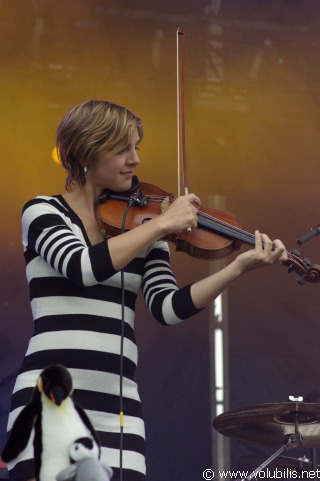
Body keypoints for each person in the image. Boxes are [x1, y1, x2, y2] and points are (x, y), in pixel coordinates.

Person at [5, 100, 287, 481]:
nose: (135, 160)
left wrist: (236, 267)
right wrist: (160, 226)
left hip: (119, 409)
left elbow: (167, 308)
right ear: (87, 151)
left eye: (136, 148)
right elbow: (83, 267)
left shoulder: (140, 228)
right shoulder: (42, 212)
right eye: (122, 149)